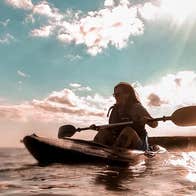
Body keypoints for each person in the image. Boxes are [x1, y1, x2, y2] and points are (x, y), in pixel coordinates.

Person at [93, 82, 158, 150]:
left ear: (127, 94)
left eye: (118, 94)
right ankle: (95, 152)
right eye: (114, 95)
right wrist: (99, 128)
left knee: (128, 131)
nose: (115, 97)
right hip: (119, 143)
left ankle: (115, 153)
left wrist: (147, 120)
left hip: (139, 145)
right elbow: (112, 128)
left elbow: (155, 124)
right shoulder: (114, 110)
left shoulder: (137, 107)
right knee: (103, 131)